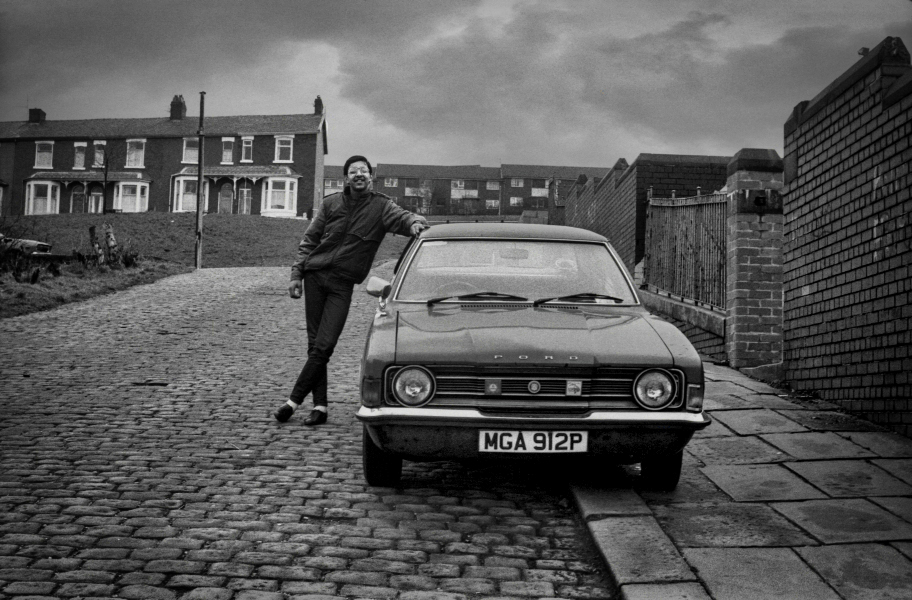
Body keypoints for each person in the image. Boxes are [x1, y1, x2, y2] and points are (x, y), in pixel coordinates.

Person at [274, 155, 428, 425]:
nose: (359, 174)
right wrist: (296, 273)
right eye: (353, 171)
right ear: (346, 177)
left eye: (364, 171)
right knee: (315, 346)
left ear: (371, 177)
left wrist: (414, 222)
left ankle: (292, 401)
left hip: (341, 284)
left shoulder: (381, 207)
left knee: (325, 345)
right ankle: (320, 407)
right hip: (315, 277)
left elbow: (403, 218)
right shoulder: (331, 203)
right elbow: (310, 239)